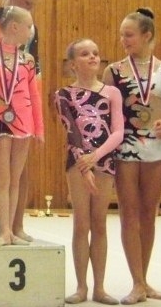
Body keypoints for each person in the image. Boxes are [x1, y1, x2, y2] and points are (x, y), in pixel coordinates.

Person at [102, 8, 161, 304]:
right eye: (121, 35)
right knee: (129, 215)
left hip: (155, 149)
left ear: (147, 35)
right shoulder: (114, 71)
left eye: (129, 35)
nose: (123, 40)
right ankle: (137, 283)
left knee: (148, 215)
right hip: (125, 148)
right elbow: (105, 115)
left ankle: (144, 280)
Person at [55, 39, 124, 305]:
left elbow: (118, 132)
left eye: (95, 53)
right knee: (81, 224)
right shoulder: (64, 94)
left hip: (105, 161)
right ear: (73, 64)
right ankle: (81, 286)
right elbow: (71, 132)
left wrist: (96, 156)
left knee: (99, 223)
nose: (93, 57)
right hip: (77, 162)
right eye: (85, 54)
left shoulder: (112, 93)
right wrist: (84, 165)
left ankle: (100, 288)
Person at [0, 0, 46, 243]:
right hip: (0, 106)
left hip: (23, 106)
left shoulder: (31, 29)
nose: (30, 8)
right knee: (2, 172)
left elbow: (35, 67)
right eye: (27, 3)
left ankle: (17, 225)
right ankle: (4, 227)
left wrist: (35, 115)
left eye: (33, 5)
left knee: (21, 173)